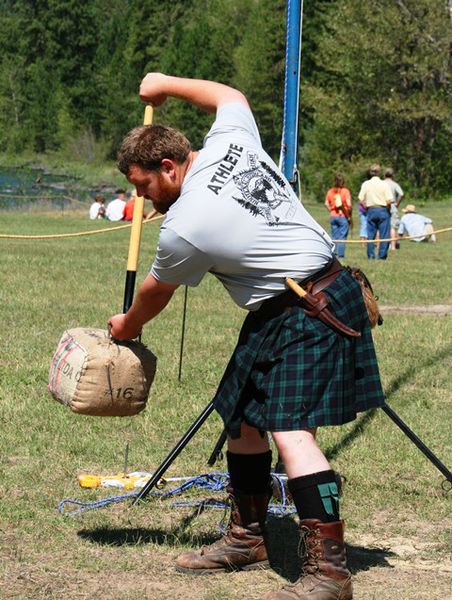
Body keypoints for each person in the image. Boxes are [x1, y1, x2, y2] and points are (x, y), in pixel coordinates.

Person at [108, 73, 385, 600]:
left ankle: (330, 574)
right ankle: (247, 537)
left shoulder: (186, 224)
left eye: (144, 185)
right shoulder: (229, 140)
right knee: (240, 414)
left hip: (312, 307)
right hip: (284, 305)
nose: (143, 200)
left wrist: (127, 326)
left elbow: (155, 292)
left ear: (169, 167)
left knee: (290, 432)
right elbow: (229, 97)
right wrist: (162, 83)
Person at [358, 164, 392, 260]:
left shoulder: (366, 184)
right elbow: (389, 200)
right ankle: (382, 256)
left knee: (370, 235)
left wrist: (365, 207)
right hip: (382, 210)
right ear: (379, 173)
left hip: (371, 210)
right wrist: (388, 210)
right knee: (384, 236)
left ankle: (371, 255)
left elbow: (360, 199)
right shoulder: (384, 184)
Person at [324, 173, 352, 258]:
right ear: (343, 181)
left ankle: (334, 255)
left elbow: (326, 204)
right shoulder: (345, 191)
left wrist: (331, 210)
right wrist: (349, 213)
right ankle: (340, 255)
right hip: (343, 216)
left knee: (334, 236)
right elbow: (349, 204)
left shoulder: (330, 191)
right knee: (342, 237)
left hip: (333, 216)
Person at [384, 168, 404, 250]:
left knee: (380, 227)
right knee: (393, 227)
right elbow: (401, 194)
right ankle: (393, 246)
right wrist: (397, 203)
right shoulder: (394, 184)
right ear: (392, 175)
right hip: (392, 205)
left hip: (383, 205)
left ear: (384, 175)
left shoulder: (381, 183)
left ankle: (378, 245)